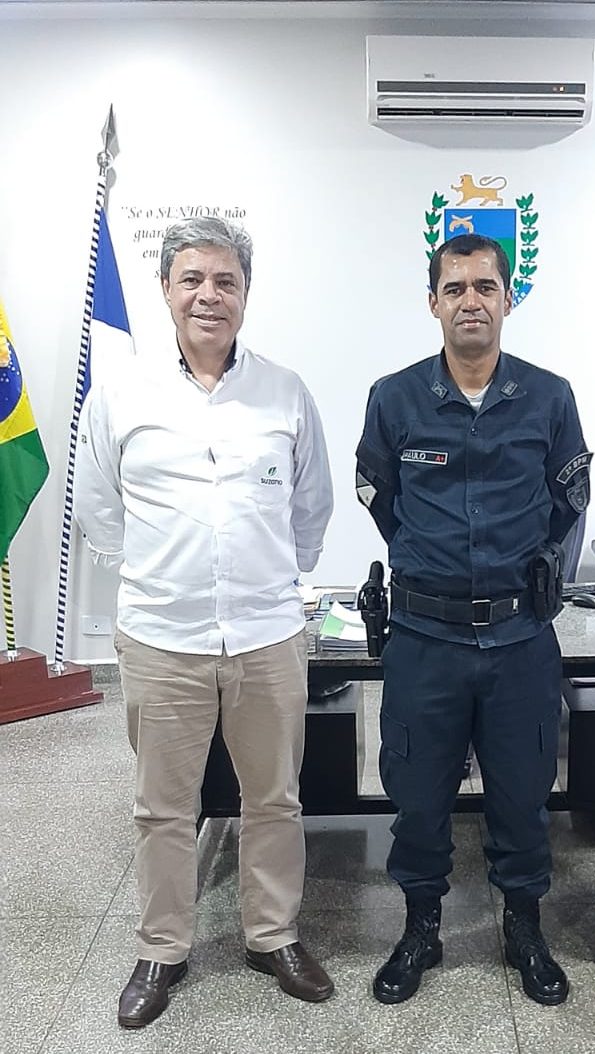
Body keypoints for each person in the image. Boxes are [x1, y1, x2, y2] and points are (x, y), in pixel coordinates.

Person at [74, 217, 335, 1028]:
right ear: (166, 290)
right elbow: (99, 507)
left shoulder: (284, 391)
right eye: (191, 279)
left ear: (245, 294)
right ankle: (162, 948)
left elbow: (311, 505)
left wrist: (267, 576)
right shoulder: (121, 394)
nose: (208, 296)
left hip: (266, 634)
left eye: (225, 281)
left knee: (275, 798)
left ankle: (272, 935)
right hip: (162, 637)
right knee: (162, 807)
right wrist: (165, 575)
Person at [355, 233, 591, 1006]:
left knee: (522, 794)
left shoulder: (549, 397)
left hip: (519, 639)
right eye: (454, 288)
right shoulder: (394, 398)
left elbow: (568, 503)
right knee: (418, 796)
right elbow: (381, 499)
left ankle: (522, 925)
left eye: (484, 287)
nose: (470, 302)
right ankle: (420, 927)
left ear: (507, 299)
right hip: (425, 639)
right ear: (433, 302)